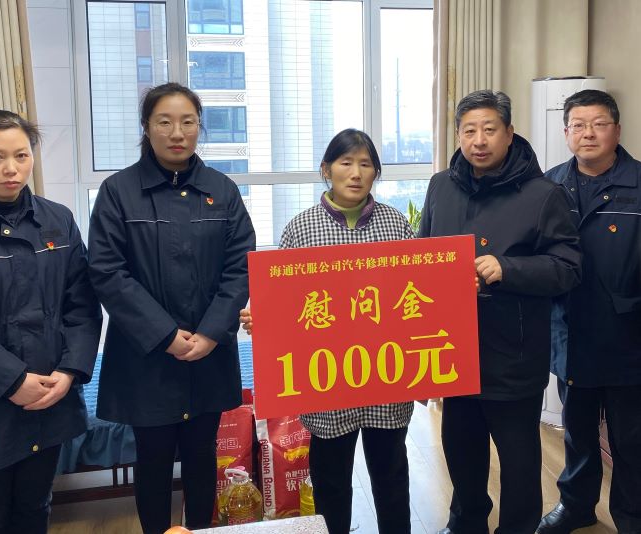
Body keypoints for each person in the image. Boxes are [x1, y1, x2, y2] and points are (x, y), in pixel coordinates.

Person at [88, 82, 255, 533]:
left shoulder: (222, 190)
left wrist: (211, 332)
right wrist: (165, 335)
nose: (177, 133)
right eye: (164, 122)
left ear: (200, 127)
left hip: (208, 353)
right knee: (153, 461)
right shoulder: (118, 191)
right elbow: (107, 271)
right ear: (147, 127)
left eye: (187, 122)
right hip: (146, 357)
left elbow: (240, 267)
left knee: (203, 458)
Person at [418, 90, 582, 534]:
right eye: (469, 130)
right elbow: (422, 256)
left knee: (519, 460)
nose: (479, 140)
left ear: (509, 133)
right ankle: (466, 522)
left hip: (514, 353)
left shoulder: (543, 194)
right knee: (460, 449)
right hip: (453, 351)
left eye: (490, 129)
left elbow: (568, 268)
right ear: (457, 134)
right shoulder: (440, 186)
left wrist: (507, 269)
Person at [240, 128, 414, 534]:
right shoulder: (301, 229)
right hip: (326, 381)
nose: (356, 173)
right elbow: (282, 301)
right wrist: (262, 318)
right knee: (331, 481)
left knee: (391, 476)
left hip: (386, 376)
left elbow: (416, 294)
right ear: (326, 169)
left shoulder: (396, 224)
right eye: (346, 162)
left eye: (366, 164)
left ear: (376, 173)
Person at [0, 110, 102, 534]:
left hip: (49, 396)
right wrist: (12, 380)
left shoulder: (57, 219)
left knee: (35, 509)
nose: (11, 168)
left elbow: (82, 304)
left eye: (21, 155)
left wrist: (69, 371)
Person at [537, 90, 641, 534]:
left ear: (617, 130)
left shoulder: (638, 183)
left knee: (630, 438)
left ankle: (632, 517)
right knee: (576, 428)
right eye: (578, 125)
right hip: (571, 331)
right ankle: (576, 506)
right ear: (566, 133)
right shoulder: (549, 187)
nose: (588, 134)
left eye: (599, 124)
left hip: (627, 334)